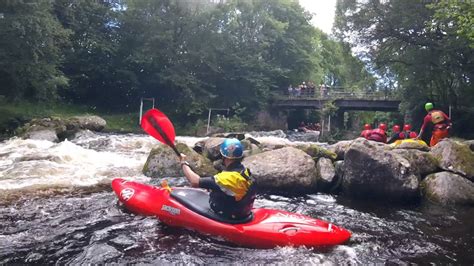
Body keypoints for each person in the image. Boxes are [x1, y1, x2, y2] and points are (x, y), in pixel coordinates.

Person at [180, 138, 256, 220]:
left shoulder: (226, 179)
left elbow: (194, 182)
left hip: (227, 216)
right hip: (242, 213)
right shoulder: (245, 172)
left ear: (224, 156)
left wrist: (183, 163)